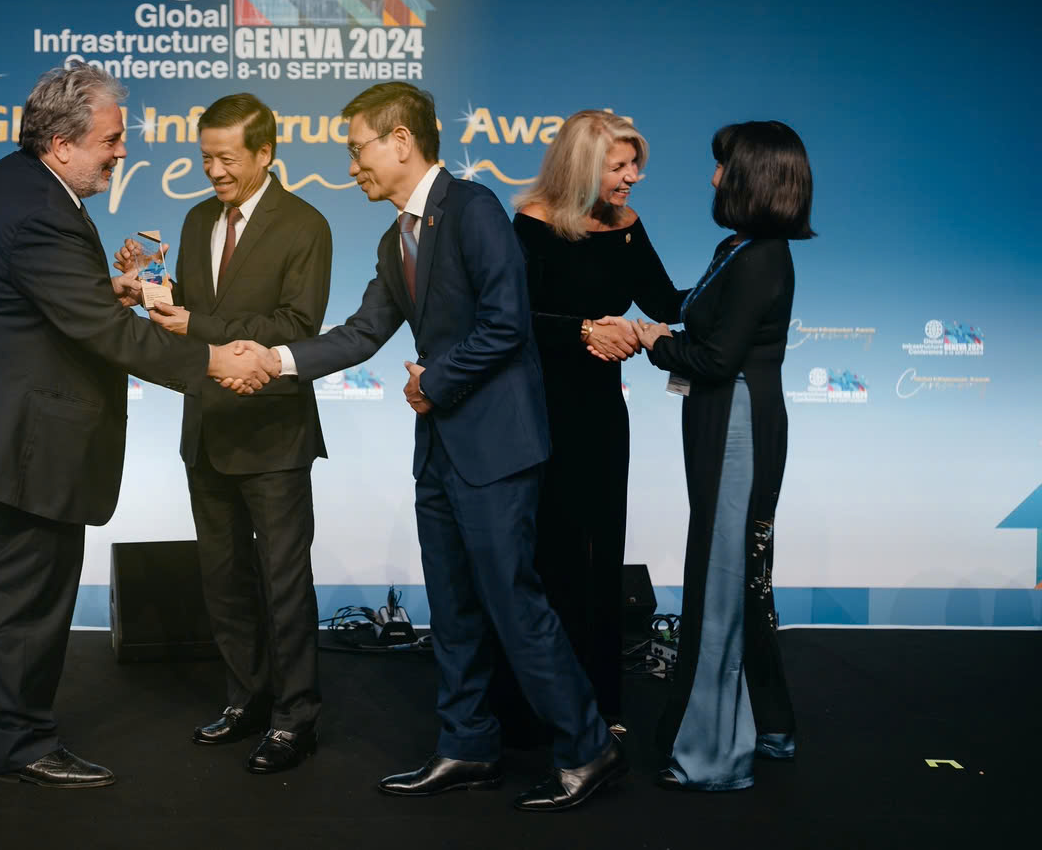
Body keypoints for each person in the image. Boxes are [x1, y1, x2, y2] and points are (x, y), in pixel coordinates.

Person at [233, 82, 624, 811]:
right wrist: (275, 359)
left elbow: (506, 323)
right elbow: (361, 333)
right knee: (452, 607)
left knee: (513, 601)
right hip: (441, 450)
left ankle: (588, 746)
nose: (352, 165)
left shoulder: (473, 209)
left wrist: (435, 380)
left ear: (401, 141)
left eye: (358, 149)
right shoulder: (395, 241)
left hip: (497, 448)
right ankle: (467, 744)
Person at [0, 63, 276, 789]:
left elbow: (47, 300)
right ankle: (21, 742)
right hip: (23, 442)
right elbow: (104, 334)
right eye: (111, 140)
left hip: (1, 431)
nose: (122, 151)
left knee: (19, 590)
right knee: (29, 596)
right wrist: (214, 359)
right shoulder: (38, 209)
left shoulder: (20, 186)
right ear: (61, 144)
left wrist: (104, 288)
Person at [113, 92, 333, 774]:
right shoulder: (196, 218)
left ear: (265, 152)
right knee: (223, 578)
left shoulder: (306, 224)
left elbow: (296, 326)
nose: (213, 171)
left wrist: (199, 326)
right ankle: (246, 699)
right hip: (207, 426)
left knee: (283, 582)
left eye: (226, 158)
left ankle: (296, 718)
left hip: (273, 432)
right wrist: (150, 288)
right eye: (206, 157)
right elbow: (189, 313)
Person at [631, 120, 814, 791]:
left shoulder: (763, 256)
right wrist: (628, 239)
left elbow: (712, 358)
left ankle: (712, 756)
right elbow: (685, 307)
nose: (712, 178)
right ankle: (769, 724)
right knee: (736, 575)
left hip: (738, 422)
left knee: (722, 576)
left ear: (754, 178)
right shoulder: (736, 248)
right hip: (722, 417)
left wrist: (650, 341)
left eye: (723, 167)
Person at [508, 110, 686, 730]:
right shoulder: (532, 224)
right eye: (620, 166)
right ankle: (542, 704)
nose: (633, 176)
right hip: (540, 407)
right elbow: (512, 321)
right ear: (583, 167)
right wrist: (584, 330)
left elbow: (667, 301)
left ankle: (601, 703)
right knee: (549, 550)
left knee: (602, 548)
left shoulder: (626, 225)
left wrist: (738, 275)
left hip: (603, 411)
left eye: (635, 164)